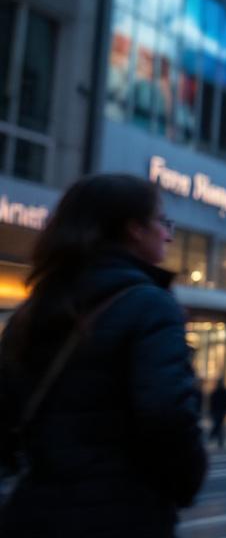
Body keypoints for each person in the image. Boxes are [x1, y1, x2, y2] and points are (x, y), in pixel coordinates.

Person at [0, 174, 207, 535]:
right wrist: (185, 483)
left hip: (33, 510)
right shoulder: (151, 306)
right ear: (134, 230)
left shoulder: (30, 311)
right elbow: (167, 414)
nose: (168, 234)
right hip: (122, 511)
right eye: (161, 221)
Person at [208, 379, 226, 450]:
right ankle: (217, 439)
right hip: (220, 411)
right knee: (218, 425)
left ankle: (213, 437)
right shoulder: (220, 391)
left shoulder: (218, 391)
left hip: (219, 411)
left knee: (218, 425)